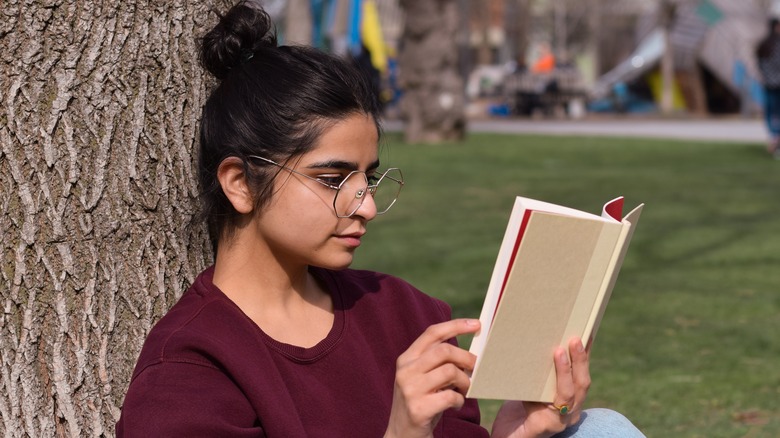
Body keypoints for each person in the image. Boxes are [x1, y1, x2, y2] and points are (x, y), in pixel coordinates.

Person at [116, 2, 645, 437]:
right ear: (240, 184)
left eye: (368, 178)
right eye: (331, 179)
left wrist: (517, 432)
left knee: (599, 428)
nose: (365, 205)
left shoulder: (405, 315)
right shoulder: (192, 367)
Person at [756, 18, 780, 157]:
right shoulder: (776, 45)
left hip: (768, 84)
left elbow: (760, 66)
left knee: (771, 113)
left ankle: (774, 138)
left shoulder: (763, 45)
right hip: (777, 84)